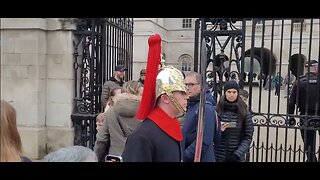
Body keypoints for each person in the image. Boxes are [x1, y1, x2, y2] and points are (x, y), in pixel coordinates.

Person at [121, 34, 188, 162]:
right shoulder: (142, 136)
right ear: (165, 98)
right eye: (181, 93)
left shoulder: (173, 127)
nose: (187, 97)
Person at [94, 80, 143, 162]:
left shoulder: (111, 112)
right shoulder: (147, 113)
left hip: (116, 158)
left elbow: (101, 139)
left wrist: (95, 158)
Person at [288, 59, 319, 162]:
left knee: (308, 141)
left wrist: (291, 116)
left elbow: (291, 102)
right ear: (315, 67)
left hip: (306, 115)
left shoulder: (299, 82)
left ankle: (311, 159)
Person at [215, 80, 254, 162]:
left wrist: (237, 154)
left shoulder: (244, 112)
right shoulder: (217, 110)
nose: (231, 95)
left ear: (237, 93)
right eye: (229, 92)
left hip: (236, 157)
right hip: (218, 156)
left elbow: (248, 136)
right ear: (225, 93)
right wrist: (218, 130)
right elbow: (209, 133)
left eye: (234, 92)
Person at [182, 71, 217, 162]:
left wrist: (185, 156)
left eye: (191, 84)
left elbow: (204, 140)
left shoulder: (205, 107)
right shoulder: (192, 105)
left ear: (200, 86)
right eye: (185, 84)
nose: (187, 88)